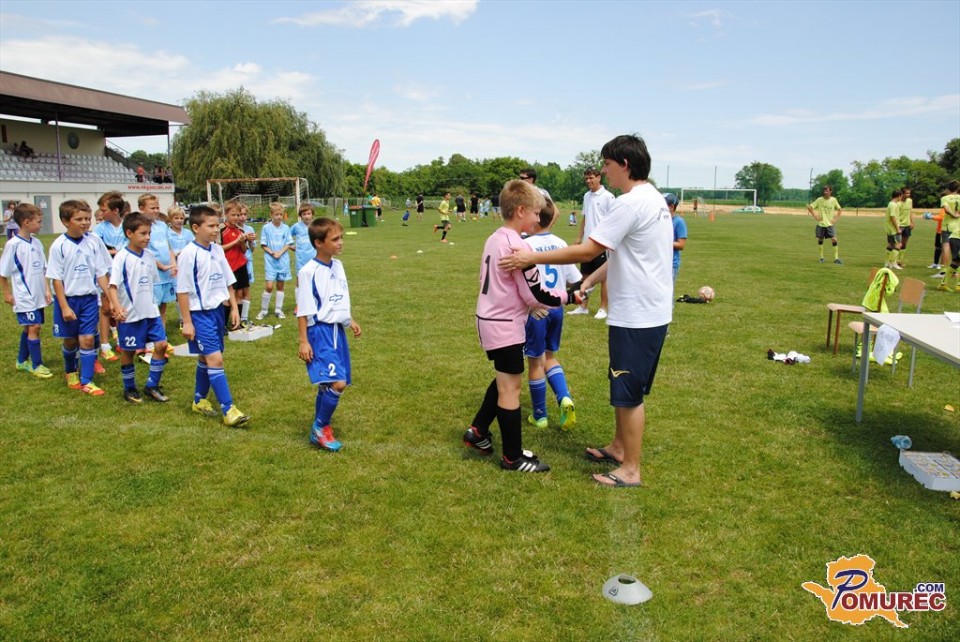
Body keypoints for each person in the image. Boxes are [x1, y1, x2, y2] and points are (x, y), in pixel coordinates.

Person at [499, 134, 673, 488]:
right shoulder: (653, 198)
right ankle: (619, 447)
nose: (604, 172)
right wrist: (587, 282)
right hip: (648, 312)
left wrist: (532, 256)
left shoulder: (629, 204)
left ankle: (630, 470)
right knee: (621, 383)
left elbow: (587, 249)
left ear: (624, 164)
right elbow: (620, 256)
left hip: (638, 315)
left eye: (607, 165)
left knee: (629, 391)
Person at [462, 179, 576, 473]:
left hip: (489, 318)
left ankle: (477, 431)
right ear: (521, 210)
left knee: (503, 379)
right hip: (504, 324)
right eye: (536, 213)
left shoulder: (495, 237)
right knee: (511, 388)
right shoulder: (517, 245)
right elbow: (535, 294)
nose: (539, 219)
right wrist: (570, 296)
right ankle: (513, 457)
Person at [176, 205, 249, 427]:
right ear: (195, 228)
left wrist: (234, 308)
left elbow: (228, 281)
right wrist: (187, 322)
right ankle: (229, 409)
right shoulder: (188, 254)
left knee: (205, 357)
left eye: (217, 225)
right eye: (211, 226)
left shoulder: (217, 250)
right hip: (200, 314)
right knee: (215, 359)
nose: (216, 229)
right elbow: (182, 291)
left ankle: (199, 400)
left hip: (218, 312)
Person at [296, 217, 362, 451]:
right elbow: (303, 309)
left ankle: (321, 426)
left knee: (329, 382)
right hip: (319, 332)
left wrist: (348, 319)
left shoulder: (337, 265)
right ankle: (320, 427)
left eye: (341, 237)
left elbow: (338, 298)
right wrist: (303, 341)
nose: (341, 242)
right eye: (335, 239)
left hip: (336, 330)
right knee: (338, 382)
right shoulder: (308, 272)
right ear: (318, 243)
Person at [523, 198, 581, 431]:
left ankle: (540, 415)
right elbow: (575, 279)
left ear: (535, 217)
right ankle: (564, 397)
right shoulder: (560, 243)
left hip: (536, 311)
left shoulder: (526, 245)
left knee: (535, 363)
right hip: (557, 309)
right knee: (550, 357)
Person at [46, 199, 113, 395]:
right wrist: (64, 307)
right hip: (68, 300)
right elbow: (57, 280)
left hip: (89, 299)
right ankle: (70, 372)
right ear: (66, 221)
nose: (85, 223)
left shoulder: (93, 242)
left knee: (88, 340)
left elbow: (101, 273)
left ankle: (87, 381)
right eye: (79, 219)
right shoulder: (59, 246)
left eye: (87, 219)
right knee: (70, 341)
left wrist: (110, 298)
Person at [108, 214, 171, 403]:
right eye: (143, 233)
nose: (147, 237)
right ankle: (129, 389)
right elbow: (113, 286)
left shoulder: (149, 256)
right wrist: (117, 306)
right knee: (129, 351)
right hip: (130, 315)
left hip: (151, 312)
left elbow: (151, 282)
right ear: (129, 233)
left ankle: (152, 385)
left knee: (161, 345)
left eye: (149, 233)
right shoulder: (122, 257)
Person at [1, 203, 53, 379]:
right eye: (38, 221)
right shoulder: (13, 245)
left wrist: (47, 289)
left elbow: (44, 269)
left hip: (38, 295)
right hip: (24, 295)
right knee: (34, 327)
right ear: (26, 222)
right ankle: (37, 365)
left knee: (29, 328)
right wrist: (7, 293)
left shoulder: (37, 243)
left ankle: (21, 361)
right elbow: (3, 273)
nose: (41, 225)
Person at [570, 167, 615, 317]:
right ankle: (583, 307)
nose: (588, 181)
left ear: (598, 177)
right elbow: (585, 217)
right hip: (587, 243)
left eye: (591, 178)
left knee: (604, 278)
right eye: (586, 178)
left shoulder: (608, 197)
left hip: (602, 244)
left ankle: (603, 308)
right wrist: (579, 237)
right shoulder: (586, 196)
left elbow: (613, 221)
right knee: (585, 275)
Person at [94, 191, 127, 362]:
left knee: (122, 307)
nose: (101, 213)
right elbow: (99, 251)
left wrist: (114, 251)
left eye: (104, 210)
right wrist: (116, 251)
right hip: (106, 273)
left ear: (115, 210)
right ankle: (105, 345)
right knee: (106, 308)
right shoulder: (99, 229)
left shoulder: (127, 225)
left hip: (125, 273)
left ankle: (122, 340)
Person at [257, 202, 294, 320]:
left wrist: (280, 253)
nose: (278, 217)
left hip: (283, 261)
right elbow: (263, 245)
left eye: (281, 214)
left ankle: (278, 310)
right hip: (270, 261)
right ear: (271, 214)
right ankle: (264, 310)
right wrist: (273, 253)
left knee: (280, 285)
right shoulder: (266, 228)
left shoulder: (286, 228)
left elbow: (288, 243)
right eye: (276, 214)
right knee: (269, 286)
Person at [220, 200, 253, 326]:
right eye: (233, 215)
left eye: (238, 215)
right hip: (228, 266)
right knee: (228, 295)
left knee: (239, 293)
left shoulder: (240, 230)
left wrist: (244, 241)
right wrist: (235, 242)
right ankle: (223, 324)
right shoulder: (221, 229)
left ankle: (236, 323)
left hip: (241, 265)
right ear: (226, 214)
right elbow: (218, 249)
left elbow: (244, 251)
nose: (236, 218)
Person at [808, 185, 843, 264]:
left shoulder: (833, 200)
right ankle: (821, 258)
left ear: (830, 191)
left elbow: (840, 209)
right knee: (820, 240)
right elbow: (810, 207)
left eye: (827, 191)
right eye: (824, 191)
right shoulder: (819, 200)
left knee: (834, 239)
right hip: (821, 224)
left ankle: (836, 258)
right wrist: (815, 216)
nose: (825, 192)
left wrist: (835, 219)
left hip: (830, 225)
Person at [938, 179, 960, 292]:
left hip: (948, 226)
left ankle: (944, 270)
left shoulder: (945, 198)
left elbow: (946, 210)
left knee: (946, 248)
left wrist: (952, 215)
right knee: (957, 258)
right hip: (958, 229)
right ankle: (957, 283)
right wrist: (956, 216)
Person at [291, 203, 316, 298]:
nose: (306, 216)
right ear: (300, 216)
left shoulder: (316, 226)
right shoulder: (296, 226)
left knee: (314, 280)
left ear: (312, 214)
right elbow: (286, 235)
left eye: (308, 214)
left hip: (314, 258)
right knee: (299, 280)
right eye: (304, 214)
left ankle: (313, 301)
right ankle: (298, 303)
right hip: (301, 259)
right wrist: (290, 246)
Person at [665, 193, 687, 282]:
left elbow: (681, 245)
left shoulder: (679, 222)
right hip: (660, 262)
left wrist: (663, 242)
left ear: (671, 207)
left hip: (671, 264)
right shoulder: (661, 220)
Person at [884, 189, 903, 269]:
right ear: (899, 196)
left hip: (889, 228)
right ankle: (893, 263)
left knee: (890, 245)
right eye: (901, 197)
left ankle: (887, 263)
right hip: (893, 229)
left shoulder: (890, 204)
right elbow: (892, 217)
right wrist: (897, 228)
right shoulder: (894, 205)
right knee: (898, 245)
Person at [896, 187, 914, 267]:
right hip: (900, 225)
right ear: (902, 194)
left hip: (907, 225)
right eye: (907, 193)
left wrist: (912, 222)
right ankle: (894, 260)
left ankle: (900, 260)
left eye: (909, 193)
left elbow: (910, 212)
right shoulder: (898, 203)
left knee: (904, 244)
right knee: (897, 244)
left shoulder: (910, 201)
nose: (908, 195)